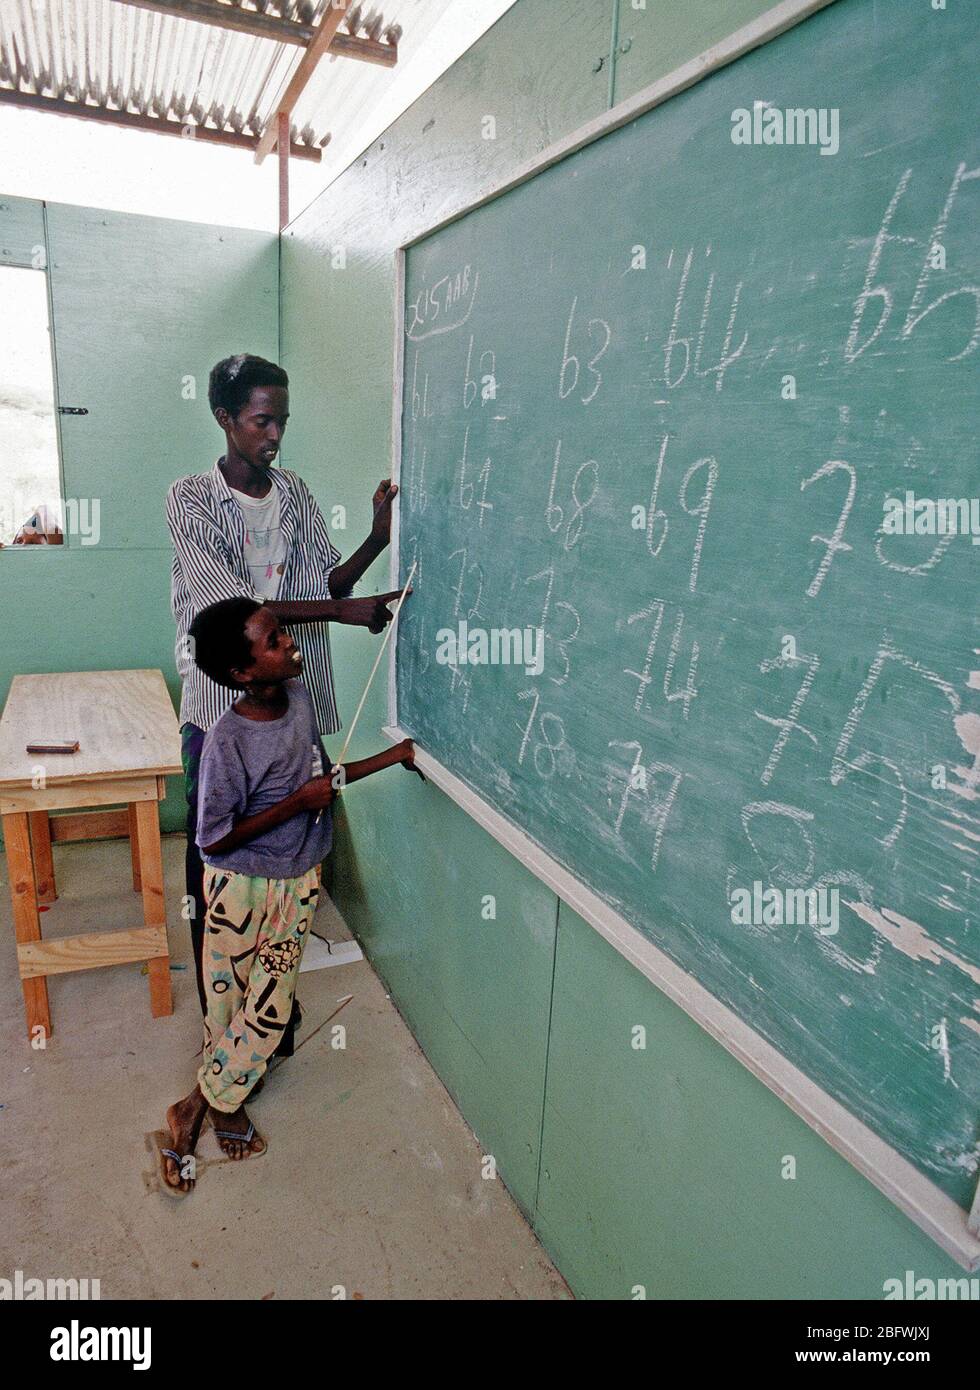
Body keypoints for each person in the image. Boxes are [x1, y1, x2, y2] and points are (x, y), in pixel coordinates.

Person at [167, 353, 403, 1058]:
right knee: (216, 852)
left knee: (295, 837)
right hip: (221, 698)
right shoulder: (190, 497)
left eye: (283, 420)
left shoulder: (293, 493)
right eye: (261, 420)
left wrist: (378, 539)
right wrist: (340, 610)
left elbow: (322, 579)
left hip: (286, 694)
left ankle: (271, 997)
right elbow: (235, 609)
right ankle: (222, 1007)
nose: (274, 435)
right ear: (225, 418)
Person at [159, 597, 422, 1196]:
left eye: (283, 632)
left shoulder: (301, 702)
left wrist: (394, 755)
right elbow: (213, 836)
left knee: (270, 1005)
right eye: (275, 641)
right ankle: (220, 1105)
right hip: (239, 889)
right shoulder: (226, 740)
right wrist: (292, 806)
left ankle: (194, 1106)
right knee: (227, 1003)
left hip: (298, 880)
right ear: (243, 674)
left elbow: (322, 782)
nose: (291, 644)